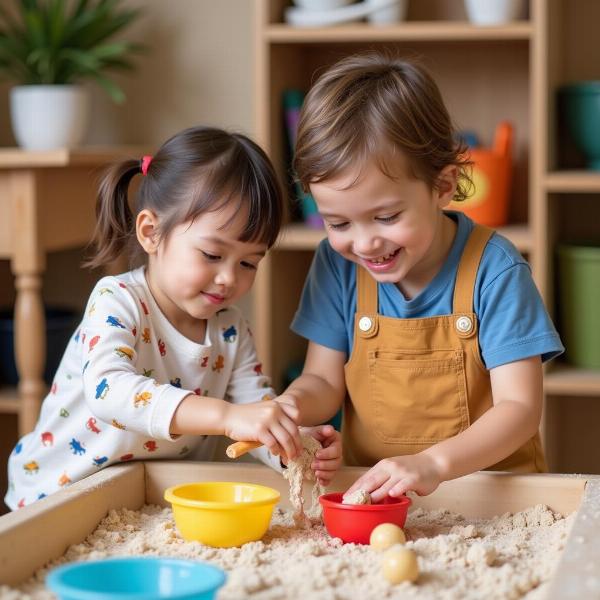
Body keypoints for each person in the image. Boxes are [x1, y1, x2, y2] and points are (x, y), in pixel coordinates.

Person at [277, 52, 564, 503]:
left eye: (386, 216)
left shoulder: (495, 269)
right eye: (339, 224)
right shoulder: (337, 267)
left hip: (492, 500)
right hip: (375, 497)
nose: (366, 243)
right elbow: (324, 382)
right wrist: (291, 406)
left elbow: (520, 409)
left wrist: (434, 464)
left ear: (443, 186)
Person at [5, 126, 341, 510]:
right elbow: (109, 391)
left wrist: (291, 443)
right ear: (151, 232)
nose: (229, 278)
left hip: (145, 499)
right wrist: (227, 417)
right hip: (56, 494)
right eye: (212, 255)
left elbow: (254, 411)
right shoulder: (118, 300)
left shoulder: (230, 329)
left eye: (249, 262)